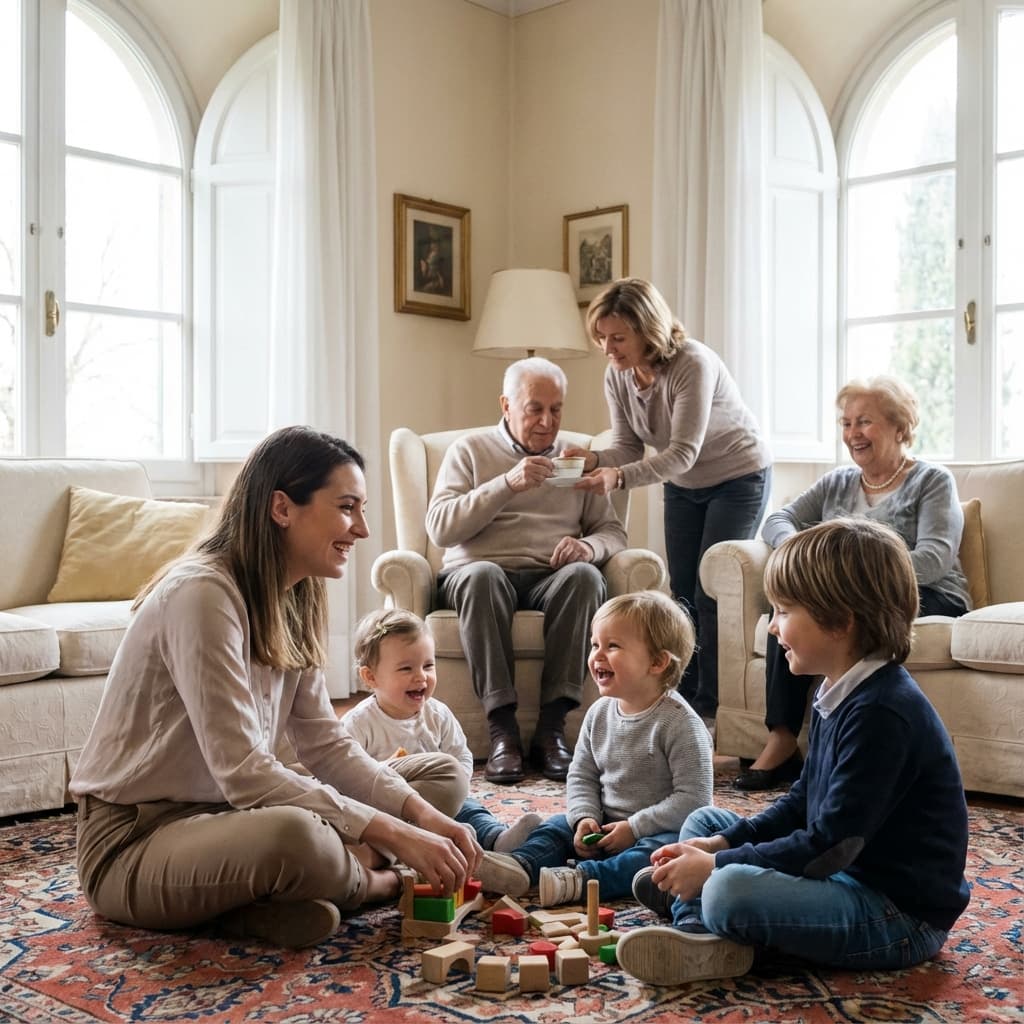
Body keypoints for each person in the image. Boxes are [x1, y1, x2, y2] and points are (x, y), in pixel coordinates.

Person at [70, 426, 482, 950]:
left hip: (234, 820)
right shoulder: (202, 594)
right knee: (299, 836)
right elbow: (244, 773)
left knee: (438, 779)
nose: (362, 528)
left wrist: (420, 817)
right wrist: (394, 839)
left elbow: (325, 745)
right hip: (137, 839)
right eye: (347, 507)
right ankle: (376, 882)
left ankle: (269, 902)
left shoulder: (298, 594)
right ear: (282, 507)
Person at [616, 518, 971, 987]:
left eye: (783, 611)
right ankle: (700, 911)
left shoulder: (884, 714)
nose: (771, 627)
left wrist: (718, 866)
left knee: (726, 888)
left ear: (840, 620)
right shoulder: (838, 693)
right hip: (842, 876)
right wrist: (720, 845)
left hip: (896, 914)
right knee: (705, 824)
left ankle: (704, 928)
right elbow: (802, 804)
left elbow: (829, 846)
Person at [735, 375, 971, 790]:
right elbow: (776, 520)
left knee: (826, 611)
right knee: (791, 612)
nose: (852, 433)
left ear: (900, 427)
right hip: (851, 596)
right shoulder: (837, 482)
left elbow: (935, 559)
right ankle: (783, 738)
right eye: (846, 423)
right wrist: (801, 561)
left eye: (865, 422)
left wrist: (851, 583)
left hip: (925, 593)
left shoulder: (931, 480)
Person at [565, 278, 771, 723]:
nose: (608, 348)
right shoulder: (617, 374)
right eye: (601, 337)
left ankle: (713, 710)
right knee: (681, 595)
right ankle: (683, 699)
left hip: (738, 476)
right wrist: (594, 459)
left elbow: (682, 452)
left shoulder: (691, 363)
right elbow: (628, 446)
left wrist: (616, 477)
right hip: (682, 484)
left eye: (618, 338)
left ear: (647, 330)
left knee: (711, 590)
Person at [426, 356, 628, 785]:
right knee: (484, 577)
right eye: (535, 408)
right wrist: (507, 484)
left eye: (556, 409)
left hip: (548, 577)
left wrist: (588, 546)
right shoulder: (470, 450)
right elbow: (441, 528)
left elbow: (612, 531)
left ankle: (551, 732)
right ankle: (503, 733)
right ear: (506, 405)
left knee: (586, 577)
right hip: (477, 574)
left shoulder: (574, 460)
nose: (547, 421)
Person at [485, 590, 714, 905]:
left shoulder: (680, 723)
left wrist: (633, 828)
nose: (597, 655)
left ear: (658, 662)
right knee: (555, 826)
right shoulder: (599, 713)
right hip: (604, 822)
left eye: (613, 646)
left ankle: (581, 880)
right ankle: (520, 865)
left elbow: (694, 800)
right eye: (595, 645)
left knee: (657, 856)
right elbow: (582, 774)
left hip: (653, 831)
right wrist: (584, 819)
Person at [345, 608, 543, 856]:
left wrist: (456, 785)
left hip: (441, 801)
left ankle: (495, 839)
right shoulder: (359, 723)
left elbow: (461, 756)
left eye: (428, 665)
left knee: (470, 808)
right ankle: (415, 849)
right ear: (371, 677)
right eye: (406, 669)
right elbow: (348, 776)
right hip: (389, 807)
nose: (421, 677)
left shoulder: (438, 715)